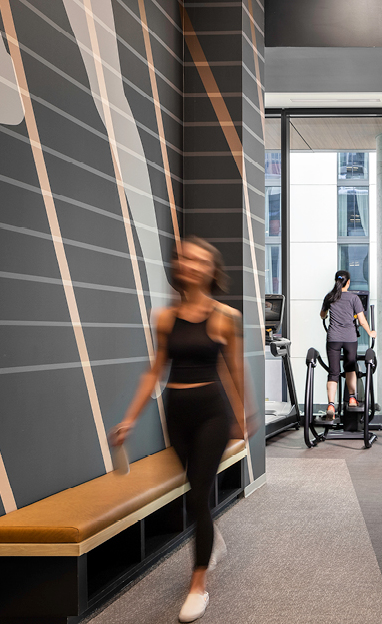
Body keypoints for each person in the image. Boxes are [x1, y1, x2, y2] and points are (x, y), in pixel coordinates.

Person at [111, 237, 247, 623]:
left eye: (200, 260)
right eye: (185, 258)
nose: (190, 264)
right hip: (176, 412)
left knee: (198, 492)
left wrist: (243, 417)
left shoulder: (225, 317)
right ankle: (211, 536)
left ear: (211, 270)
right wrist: (130, 418)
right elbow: (154, 370)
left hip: (211, 414)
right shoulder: (165, 318)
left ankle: (198, 585)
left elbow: (234, 370)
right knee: (195, 490)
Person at [319, 270, 376, 421]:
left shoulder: (329, 297)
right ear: (348, 282)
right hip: (350, 338)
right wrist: (370, 333)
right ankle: (352, 398)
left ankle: (331, 405)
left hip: (333, 339)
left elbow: (322, 315)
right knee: (350, 367)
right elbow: (362, 321)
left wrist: (327, 314)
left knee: (333, 372)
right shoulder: (354, 298)